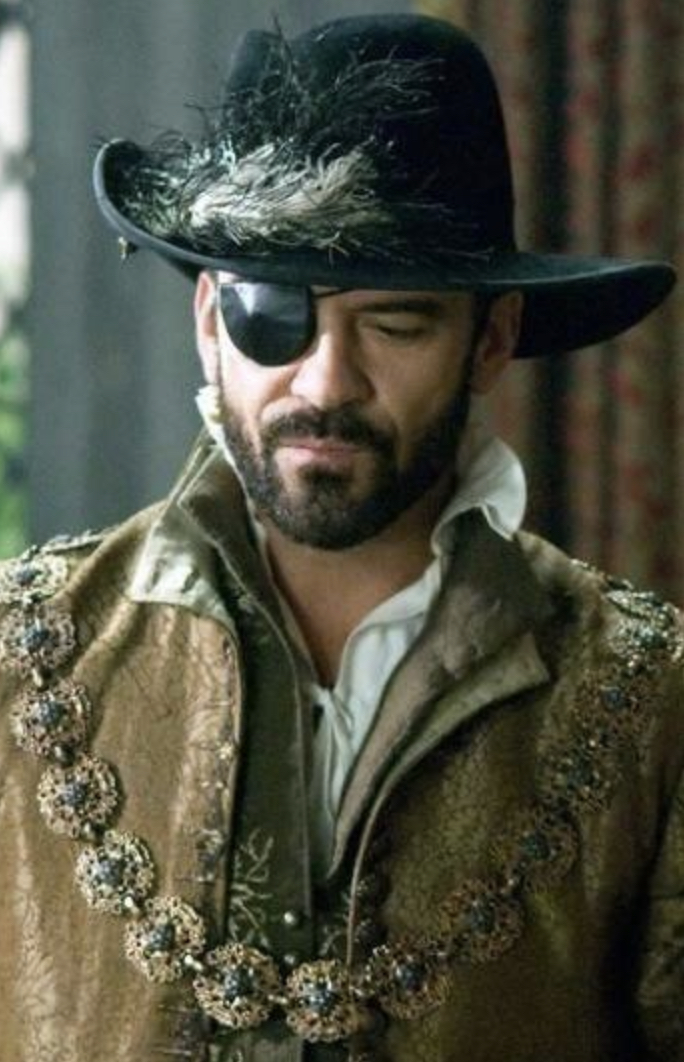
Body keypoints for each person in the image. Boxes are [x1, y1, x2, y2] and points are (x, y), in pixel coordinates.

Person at [0, 13, 681, 1062]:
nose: (326, 381)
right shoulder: (22, 658)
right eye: (276, 315)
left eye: (395, 324)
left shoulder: (644, 701)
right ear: (209, 323)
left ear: (490, 338)